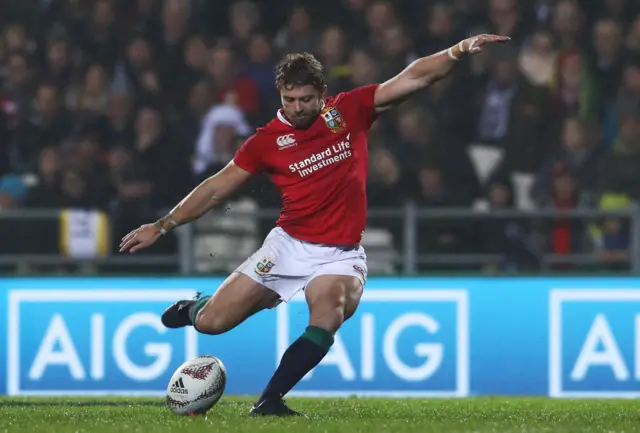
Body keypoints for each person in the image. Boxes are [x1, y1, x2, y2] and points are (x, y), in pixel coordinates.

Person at [119, 34, 510, 417]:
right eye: (289, 100)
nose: (298, 107)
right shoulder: (266, 142)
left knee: (329, 309)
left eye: (306, 99)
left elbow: (411, 79)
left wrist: (457, 50)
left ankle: (269, 400)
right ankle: (197, 307)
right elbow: (217, 188)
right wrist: (164, 224)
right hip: (287, 245)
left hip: (340, 254)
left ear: (322, 92)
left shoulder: (350, 110)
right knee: (213, 324)